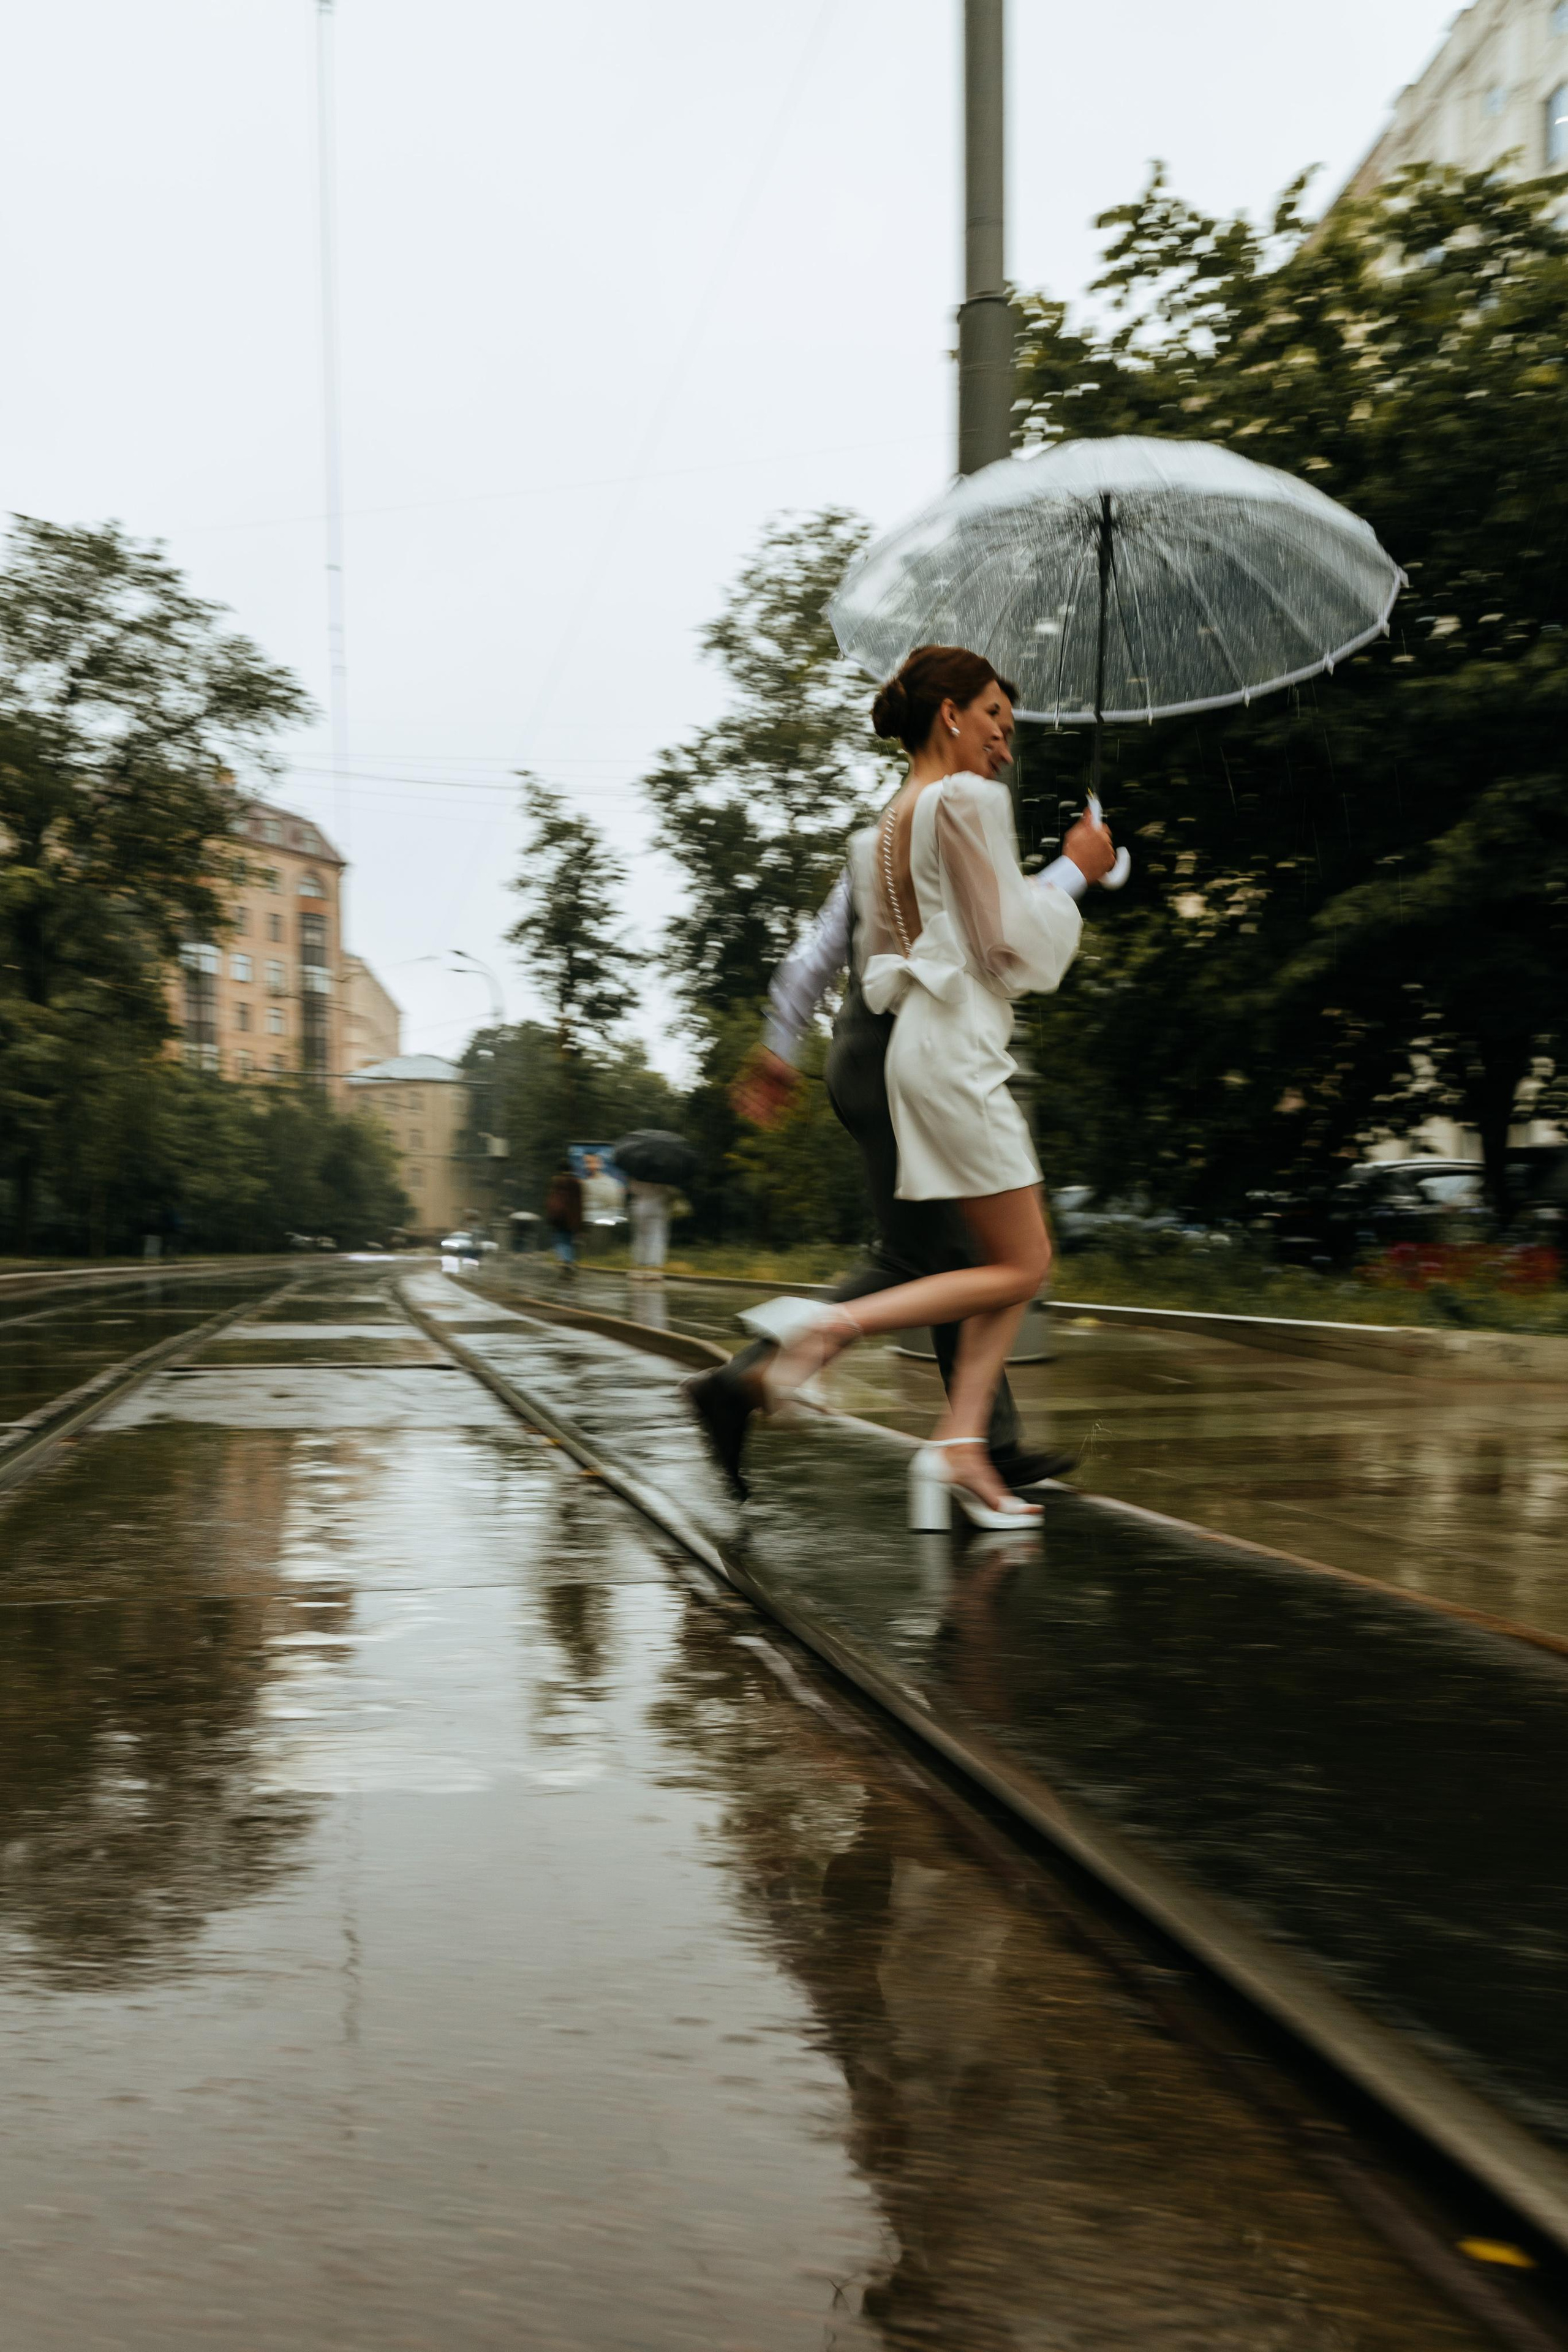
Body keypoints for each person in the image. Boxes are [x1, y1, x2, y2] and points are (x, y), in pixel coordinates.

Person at [688, 644, 1113, 1530]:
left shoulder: (881, 827)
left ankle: (970, 1439)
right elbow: (1002, 947)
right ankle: (817, 1351)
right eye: (995, 713)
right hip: (933, 1050)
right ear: (950, 712)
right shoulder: (963, 801)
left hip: (893, 1048)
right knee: (996, 1260)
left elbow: (905, 939)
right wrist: (1078, 870)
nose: (1007, 735)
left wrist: (779, 1046)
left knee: (968, 1256)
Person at [627, 1179, 673, 1279]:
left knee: (640, 1237)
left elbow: (633, 1189)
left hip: (641, 1206)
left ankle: (638, 1267)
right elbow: (670, 1190)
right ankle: (654, 1269)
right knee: (658, 1237)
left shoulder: (639, 1172)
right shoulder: (666, 1173)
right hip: (659, 1207)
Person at [543, 1164, 583, 1270]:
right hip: (572, 1217)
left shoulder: (556, 1182)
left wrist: (550, 1214)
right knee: (569, 1240)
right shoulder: (576, 1183)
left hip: (558, 1216)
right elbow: (579, 1203)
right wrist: (579, 1221)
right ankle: (569, 1260)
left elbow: (551, 1200)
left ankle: (565, 1259)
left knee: (559, 1239)